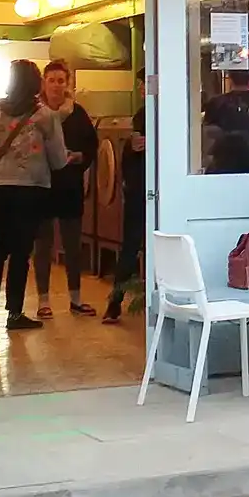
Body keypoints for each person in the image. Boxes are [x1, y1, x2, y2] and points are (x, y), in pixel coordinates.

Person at [0, 60, 68, 331]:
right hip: (31, 190)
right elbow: (59, 160)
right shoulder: (45, 115)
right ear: (37, 83)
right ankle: (14, 314)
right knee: (22, 252)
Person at [33, 61, 98, 318]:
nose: (57, 85)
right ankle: (43, 301)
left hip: (70, 184)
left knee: (73, 244)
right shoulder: (36, 112)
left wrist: (79, 156)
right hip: (42, 185)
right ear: (44, 83)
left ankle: (76, 298)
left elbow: (91, 146)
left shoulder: (78, 113)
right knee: (42, 245)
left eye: (62, 81)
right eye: (52, 80)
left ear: (68, 84)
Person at [103, 69, 147, 325]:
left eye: (145, 82)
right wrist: (131, 147)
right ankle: (115, 301)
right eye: (140, 83)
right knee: (130, 246)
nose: (141, 88)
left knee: (134, 245)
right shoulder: (141, 115)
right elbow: (131, 155)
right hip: (140, 188)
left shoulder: (175, 109)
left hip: (158, 187)